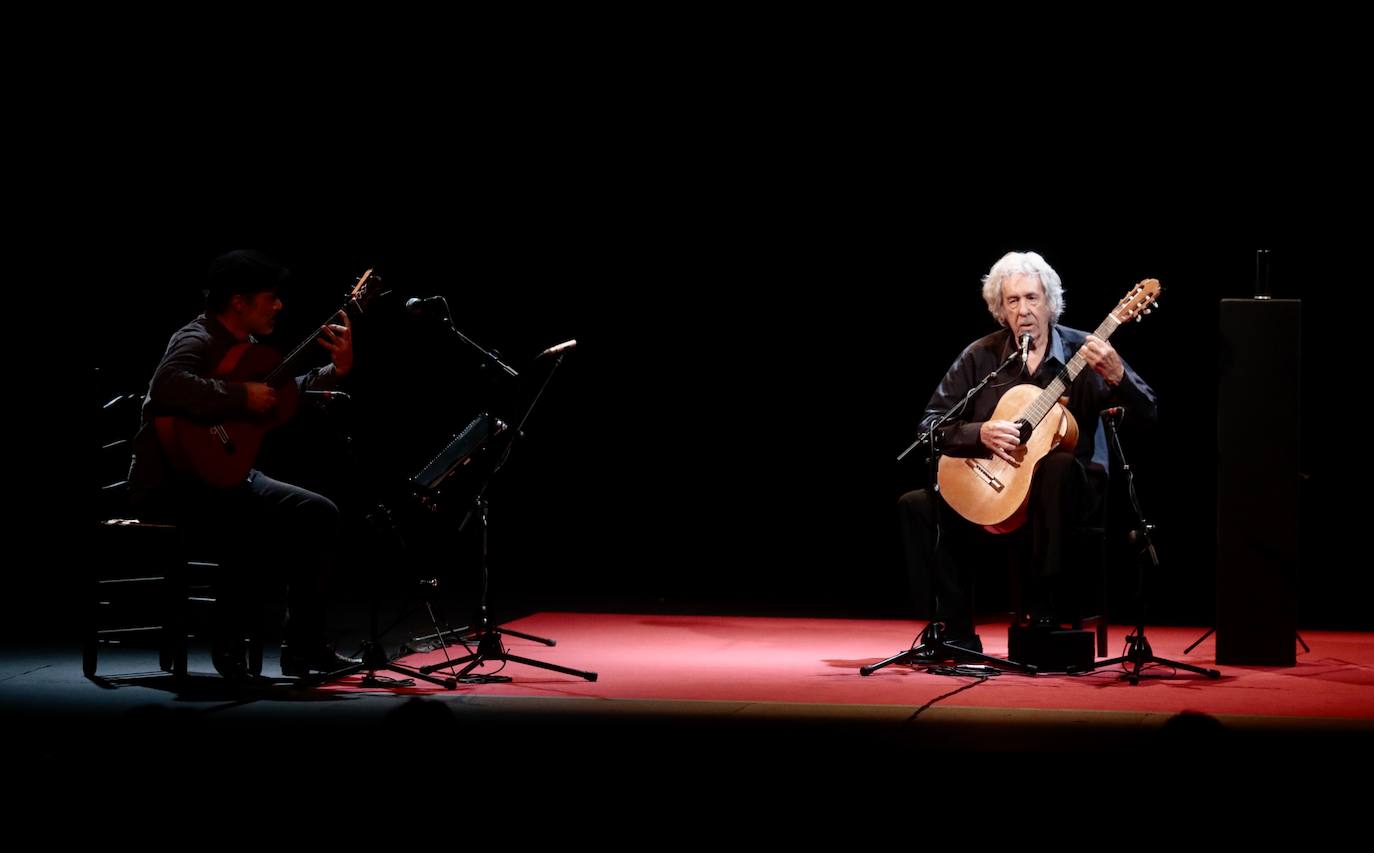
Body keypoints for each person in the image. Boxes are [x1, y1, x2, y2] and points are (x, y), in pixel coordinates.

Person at [897, 251, 1157, 653]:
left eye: (1032, 298)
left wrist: (1117, 373)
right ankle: (956, 632)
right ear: (1001, 310)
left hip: (1069, 496)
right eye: (1013, 301)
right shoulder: (982, 357)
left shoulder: (1085, 353)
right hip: (996, 489)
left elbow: (1149, 412)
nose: (1024, 310)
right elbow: (929, 426)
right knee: (917, 504)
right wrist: (979, 432)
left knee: (1055, 467)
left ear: (1051, 302)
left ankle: (1044, 614)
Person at [128, 249, 359, 678]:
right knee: (250, 520)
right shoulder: (196, 338)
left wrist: (336, 370)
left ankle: (303, 646)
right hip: (172, 484)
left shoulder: (247, 349)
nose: (279, 305)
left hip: (224, 477)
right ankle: (229, 642)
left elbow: (284, 391)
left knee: (318, 512)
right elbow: (167, 386)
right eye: (270, 296)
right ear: (239, 301)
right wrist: (239, 396)